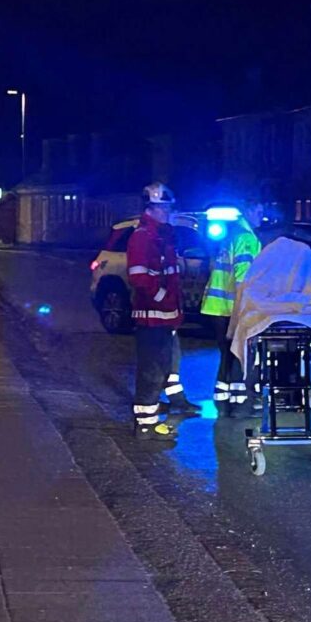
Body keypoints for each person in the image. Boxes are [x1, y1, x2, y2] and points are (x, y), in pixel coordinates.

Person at [127, 182, 184, 442]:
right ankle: (145, 426)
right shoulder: (143, 237)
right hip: (151, 315)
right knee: (151, 370)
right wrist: (163, 299)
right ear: (150, 209)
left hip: (163, 315)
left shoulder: (161, 236)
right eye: (164, 208)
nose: (168, 212)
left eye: (168, 208)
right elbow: (139, 277)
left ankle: (149, 421)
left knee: (160, 368)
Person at [200, 201, 263, 417]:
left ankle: (222, 400)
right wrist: (245, 310)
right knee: (240, 354)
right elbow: (242, 279)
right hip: (232, 307)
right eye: (259, 211)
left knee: (226, 355)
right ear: (248, 211)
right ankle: (241, 404)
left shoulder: (231, 235)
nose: (262, 217)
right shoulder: (246, 238)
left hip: (216, 307)